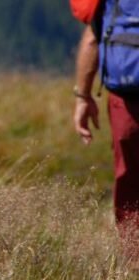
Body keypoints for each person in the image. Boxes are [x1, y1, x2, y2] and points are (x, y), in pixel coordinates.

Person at [74, 0, 139, 241]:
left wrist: (83, 96)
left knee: (130, 183)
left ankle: (133, 266)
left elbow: (94, 35)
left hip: (128, 98)